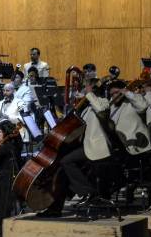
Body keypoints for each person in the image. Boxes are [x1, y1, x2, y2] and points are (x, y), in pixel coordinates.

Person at [49, 79, 115, 216]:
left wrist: (89, 95)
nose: (85, 90)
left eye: (87, 87)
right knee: (63, 167)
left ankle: (89, 192)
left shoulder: (104, 102)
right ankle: (58, 204)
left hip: (98, 148)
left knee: (66, 162)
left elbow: (101, 111)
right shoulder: (88, 107)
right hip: (86, 146)